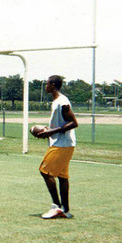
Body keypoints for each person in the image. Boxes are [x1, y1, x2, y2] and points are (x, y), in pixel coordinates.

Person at [33, 75, 79, 219]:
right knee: (62, 176)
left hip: (62, 143)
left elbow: (74, 123)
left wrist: (51, 132)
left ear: (53, 85)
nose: (45, 86)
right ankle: (65, 210)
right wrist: (48, 129)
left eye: (46, 84)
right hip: (64, 143)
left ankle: (56, 206)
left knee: (45, 171)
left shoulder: (62, 102)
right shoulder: (56, 102)